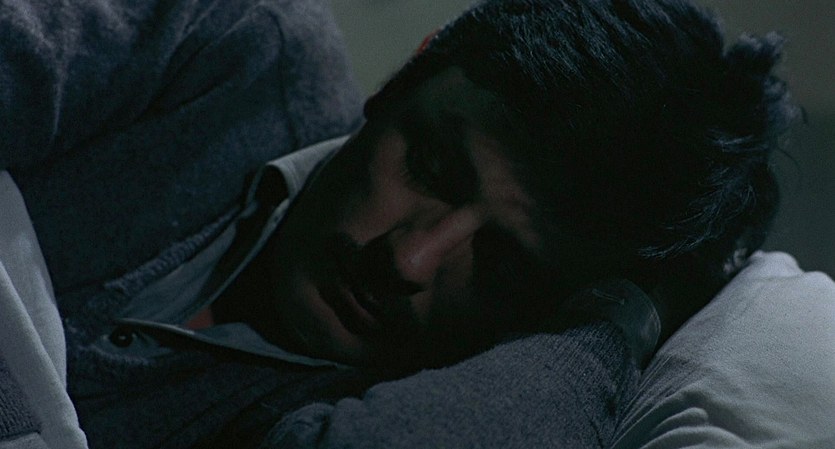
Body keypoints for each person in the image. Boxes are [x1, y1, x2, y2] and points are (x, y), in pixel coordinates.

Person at [0, 0, 797, 448]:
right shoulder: (234, 47)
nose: (410, 259)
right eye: (433, 168)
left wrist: (617, 322)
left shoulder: (386, 401)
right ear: (405, 76)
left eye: (502, 264)